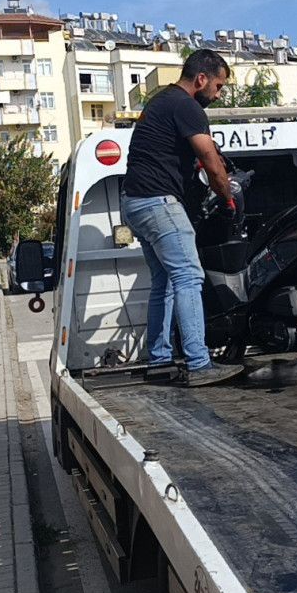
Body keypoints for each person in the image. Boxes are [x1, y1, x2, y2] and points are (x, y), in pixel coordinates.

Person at [120, 49, 244, 387]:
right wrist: (227, 197)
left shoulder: (162, 102)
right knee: (189, 276)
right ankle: (199, 363)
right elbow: (210, 161)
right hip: (158, 202)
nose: (218, 95)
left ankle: (159, 359)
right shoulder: (187, 106)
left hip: (134, 202)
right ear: (201, 79)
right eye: (218, 86)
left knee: (164, 281)